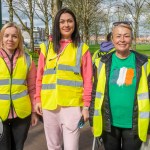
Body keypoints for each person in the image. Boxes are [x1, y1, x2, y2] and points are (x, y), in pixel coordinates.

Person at [35, 8, 93, 150]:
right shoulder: (46, 48)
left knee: (71, 147)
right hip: (49, 105)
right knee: (53, 146)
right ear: (57, 25)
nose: (66, 25)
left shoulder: (82, 48)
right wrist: (37, 99)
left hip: (72, 106)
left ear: (75, 24)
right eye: (62, 22)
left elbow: (88, 80)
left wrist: (86, 107)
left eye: (69, 21)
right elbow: (39, 77)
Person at [89, 21, 150, 150]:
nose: (122, 40)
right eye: (118, 36)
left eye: (126, 36)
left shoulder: (144, 63)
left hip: (134, 126)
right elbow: (95, 93)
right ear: (112, 39)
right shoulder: (102, 63)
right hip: (109, 124)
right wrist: (92, 120)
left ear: (132, 39)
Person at [0, 22, 38, 150]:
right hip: (0, 114)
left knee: (18, 147)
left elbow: (33, 88)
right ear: (2, 38)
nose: (10, 39)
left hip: (22, 114)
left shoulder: (27, 60)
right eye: (7, 36)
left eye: (14, 36)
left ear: (19, 39)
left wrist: (34, 112)